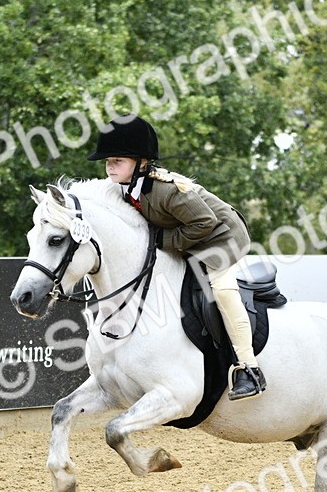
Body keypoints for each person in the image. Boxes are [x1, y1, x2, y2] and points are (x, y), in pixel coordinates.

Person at [86, 115, 265, 400]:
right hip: (190, 236)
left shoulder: (166, 190)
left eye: (117, 160)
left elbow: (204, 222)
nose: (110, 166)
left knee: (222, 291)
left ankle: (248, 368)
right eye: (108, 160)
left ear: (142, 163)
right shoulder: (120, 188)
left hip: (221, 237)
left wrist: (163, 241)